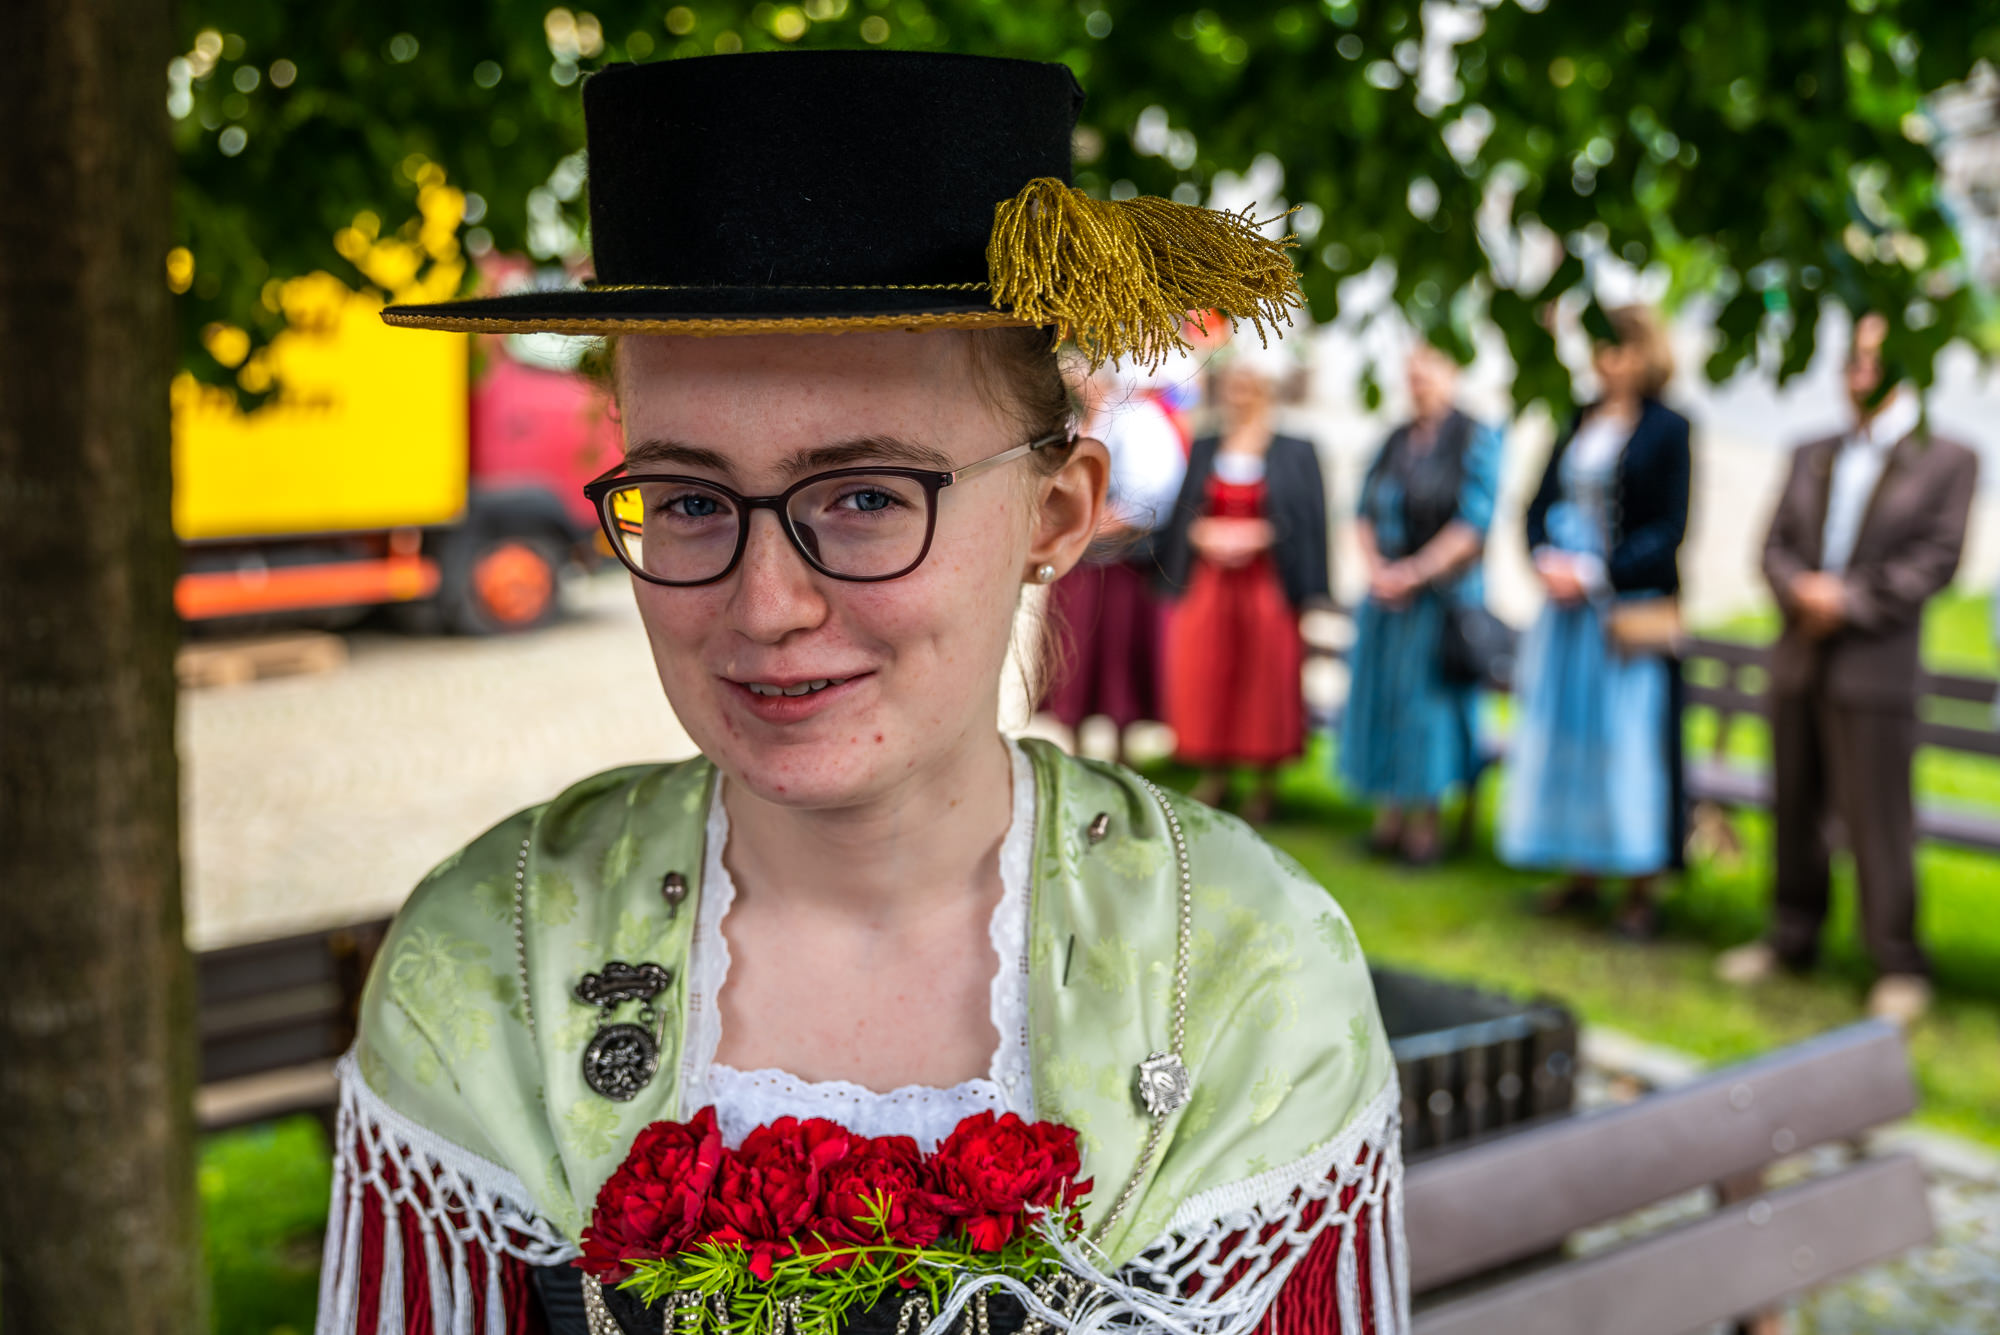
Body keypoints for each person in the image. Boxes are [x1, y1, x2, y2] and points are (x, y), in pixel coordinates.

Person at [317, 53, 1405, 1335]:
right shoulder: (489, 963)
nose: (766, 603)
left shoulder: (1239, 976)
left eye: (867, 496)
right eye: (687, 500)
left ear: (1055, 513)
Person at [1716, 312, 1977, 1025]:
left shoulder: (1948, 458)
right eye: (1851, 359)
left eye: (1874, 359)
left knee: (1877, 819)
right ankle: (1791, 935)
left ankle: (1897, 959)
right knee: (1793, 803)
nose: (1858, 371)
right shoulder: (1812, 450)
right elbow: (1773, 545)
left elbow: (1937, 559)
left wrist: (1849, 600)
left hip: (1875, 665)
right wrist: (1800, 590)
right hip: (1799, 655)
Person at [1499, 306, 1691, 939]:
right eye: (1602, 348)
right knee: (1570, 738)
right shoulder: (1577, 416)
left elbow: (1669, 528)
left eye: (1621, 348)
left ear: (1645, 354)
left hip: (1624, 615)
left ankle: (1639, 883)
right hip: (1566, 617)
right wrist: (1543, 559)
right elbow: (1536, 504)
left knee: (1627, 742)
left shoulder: (1669, 429)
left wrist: (1598, 572)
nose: (1608, 361)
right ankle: (1580, 868)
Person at [1340, 342, 1504, 864]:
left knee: (1428, 711)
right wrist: (1378, 569)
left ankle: (1426, 825)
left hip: (1440, 604)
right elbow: (1363, 510)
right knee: (1386, 702)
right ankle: (1389, 816)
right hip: (1387, 600)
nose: (1419, 381)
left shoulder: (1474, 436)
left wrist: (1415, 573)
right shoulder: (1395, 439)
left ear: (1453, 374)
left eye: (1428, 370)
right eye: (1411, 372)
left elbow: (1473, 524)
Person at [1157, 343, 1331, 825]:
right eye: (1233, 385)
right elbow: (1184, 512)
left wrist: (1263, 534)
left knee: (1266, 677)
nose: (1239, 395)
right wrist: (1201, 533)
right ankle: (1214, 772)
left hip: (1266, 585)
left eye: (1248, 386)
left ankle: (1265, 783)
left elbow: (1308, 519)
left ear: (1266, 391)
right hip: (1211, 585)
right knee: (1209, 674)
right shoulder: (1207, 445)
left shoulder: (1295, 450)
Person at [1039, 363, 1187, 758]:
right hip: (1076, 557)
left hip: (1120, 560)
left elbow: (1151, 493)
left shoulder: (1137, 418)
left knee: (1117, 655)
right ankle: (1075, 748)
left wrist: (1088, 525)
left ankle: (1121, 752)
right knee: (1076, 653)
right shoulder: (1072, 419)